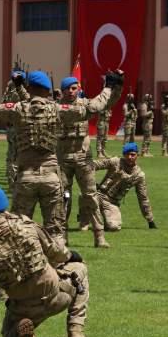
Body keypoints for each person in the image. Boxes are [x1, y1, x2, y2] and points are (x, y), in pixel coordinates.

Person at [0, 69, 124, 245]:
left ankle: (21, 266)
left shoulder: (18, 109)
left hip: (26, 177)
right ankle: (60, 264)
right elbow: (93, 108)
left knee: (19, 230)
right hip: (52, 177)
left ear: (29, 87)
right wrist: (109, 87)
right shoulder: (57, 109)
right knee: (56, 231)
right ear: (47, 90)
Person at [0, 183, 89, 337]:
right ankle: (76, 333)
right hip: (57, 295)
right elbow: (55, 251)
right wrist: (71, 255)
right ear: (4, 204)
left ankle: (20, 332)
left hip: (23, 307)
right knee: (80, 269)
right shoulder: (26, 224)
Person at [56, 76, 113, 248]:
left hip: (83, 159)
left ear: (78, 88)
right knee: (64, 197)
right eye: (68, 89)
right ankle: (63, 237)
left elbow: (104, 103)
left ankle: (99, 236)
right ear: (63, 90)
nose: (71, 92)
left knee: (90, 197)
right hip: (64, 161)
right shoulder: (56, 107)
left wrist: (110, 87)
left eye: (74, 88)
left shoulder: (86, 104)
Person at [93, 142, 156, 232]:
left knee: (114, 227)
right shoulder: (115, 162)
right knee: (86, 195)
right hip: (98, 195)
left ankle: (104, 218)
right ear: (123, 155)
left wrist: (150, 220)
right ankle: (85, 217)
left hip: (112, 202)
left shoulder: (139, 175)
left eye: (132, 154)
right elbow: (95, 165)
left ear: (137, 155)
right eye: (127, 154)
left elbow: (143, 198)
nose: (130, 157)